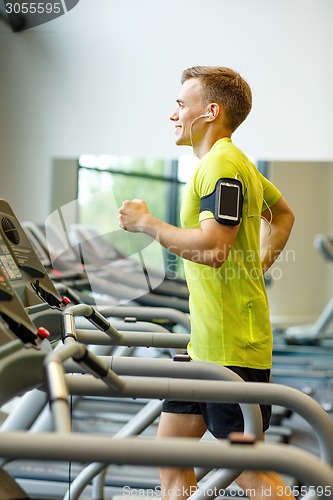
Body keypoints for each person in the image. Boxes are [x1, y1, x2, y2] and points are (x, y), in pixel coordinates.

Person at [118, 66, 295, 500]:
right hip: (205, 346)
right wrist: (253, 266)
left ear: (210, 111)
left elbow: (214, 249)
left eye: (181, 104)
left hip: (231, 350)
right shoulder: (230, 163)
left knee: (248, 474)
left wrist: (148, 224)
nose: (173, 114)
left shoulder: (221, 165)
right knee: (172, 453)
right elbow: (284, 215)